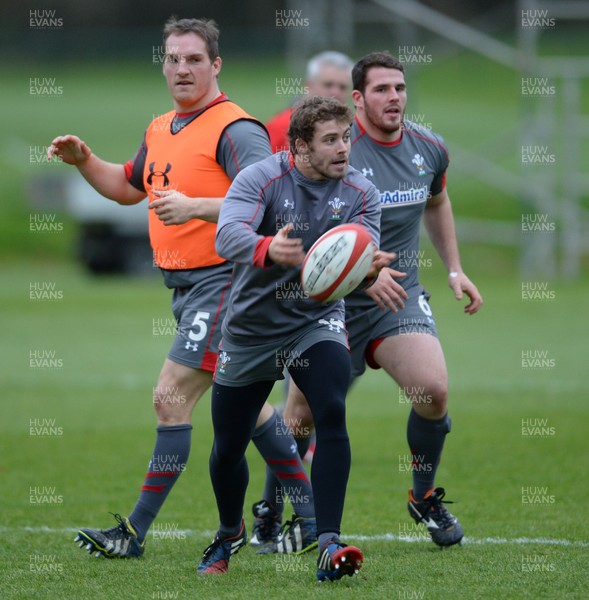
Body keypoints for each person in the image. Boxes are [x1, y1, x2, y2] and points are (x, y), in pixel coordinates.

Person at [47, 16, 314, 559]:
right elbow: (126, 186)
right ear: (163, 64)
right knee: (251, 407)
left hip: (226, 282)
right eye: (173, 59)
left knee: (170, 398)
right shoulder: (161, 127)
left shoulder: (234, 128)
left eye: (194, 59)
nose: (182, 68)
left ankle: (134, 533)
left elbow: (273, 200)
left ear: (216, 65)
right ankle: (312, 517)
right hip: (186, 289)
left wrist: (197, 207)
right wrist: (84, 161)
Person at [265, 51, 484, 548]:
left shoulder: (428, 148)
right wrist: (361, 276)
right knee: (300, 414)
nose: (394, 98)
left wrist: (454, 269)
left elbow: (437, 199)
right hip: (329, 302)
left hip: (397, 297)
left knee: (432, 392)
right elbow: (302, 224)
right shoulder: (334, 151)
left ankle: (423, 497)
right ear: (358, 98)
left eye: (400, 89)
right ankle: (275, 513)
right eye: (382, 90)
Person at [196, 96, 393, 581]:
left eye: (347, 137)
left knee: (330, 409)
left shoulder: (362, 191)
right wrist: (269, 247)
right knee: (227, 446)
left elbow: (357, 261)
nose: (344, 148)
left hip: (315, 320)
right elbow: (226, 236)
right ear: (299, 146)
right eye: (330, 140)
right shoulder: (261, 178)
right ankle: (228, 532)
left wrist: (368, 272)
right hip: (252, 329)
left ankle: (328, 541)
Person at [266, 51, 353, 153]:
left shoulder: (354, 130)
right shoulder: (281, 126)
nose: (335, 92)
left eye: (342, 87)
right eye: (328, 85)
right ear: (309, 85)